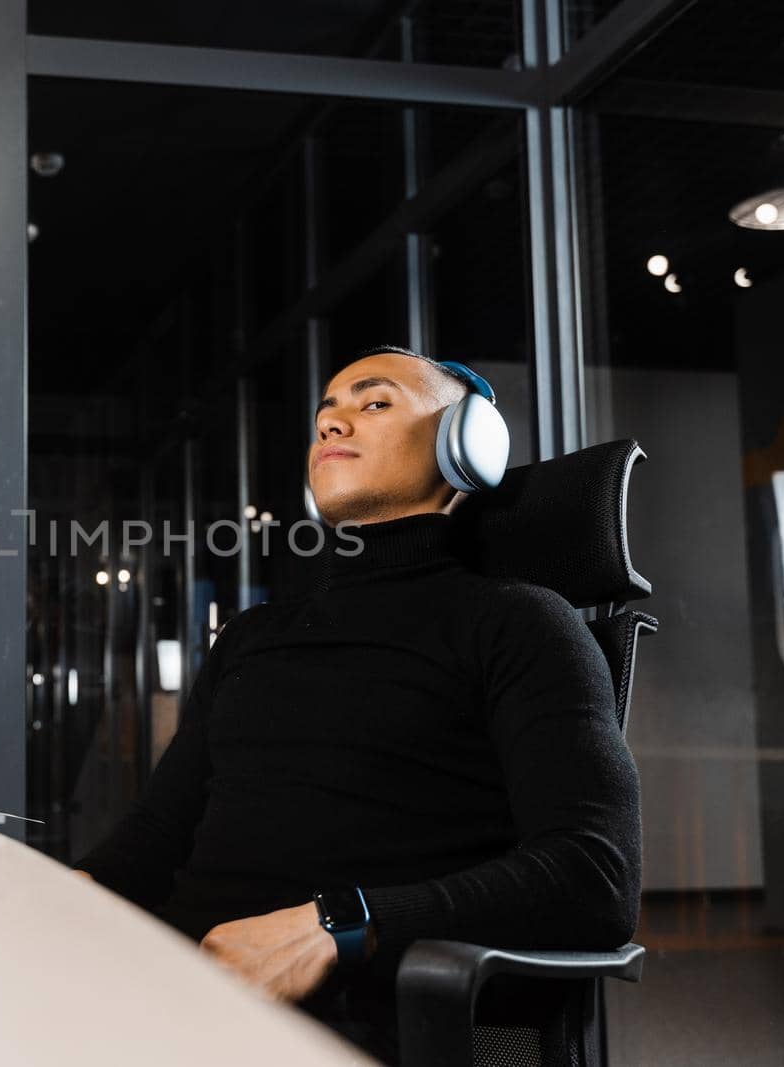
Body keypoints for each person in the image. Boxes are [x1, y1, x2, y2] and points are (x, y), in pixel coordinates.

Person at [74, 346, 641, 1062]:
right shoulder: (254, 636)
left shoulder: (520, 623)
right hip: (172, 998)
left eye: (374, 403)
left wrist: (342, 923)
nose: (333, 425)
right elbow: (156, 835)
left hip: (341, 1021)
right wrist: (49, 899)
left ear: (469, 441)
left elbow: (595, 875)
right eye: (325, 414)